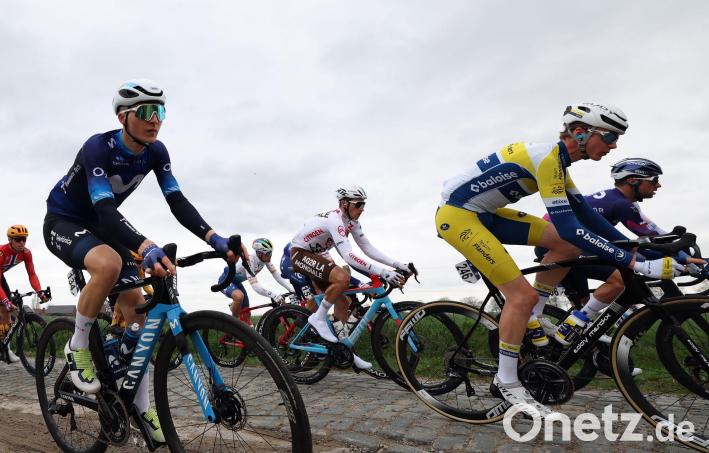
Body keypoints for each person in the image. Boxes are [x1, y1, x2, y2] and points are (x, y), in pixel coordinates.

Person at [434, 103, 684, 418]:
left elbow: (587, 217)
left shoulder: (557, 165)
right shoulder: (547, 160)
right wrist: (635, 264)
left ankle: (534, 314)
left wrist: (639, 249)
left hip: (485, 214)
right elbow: (571, 225)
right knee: (520, 295)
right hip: (459, 217)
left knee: (565, 245)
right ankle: (507, 380)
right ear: (580, 132)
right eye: (609, 137)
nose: (614, 145)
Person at [43, 78, 240, 442]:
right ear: (123, 117)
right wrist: (145, 245)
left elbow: (177, 201)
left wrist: (215, 237)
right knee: (109, 265)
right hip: (66, 221)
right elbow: (102, 210)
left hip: (105, 228)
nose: (155, 119)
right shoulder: (97, 148)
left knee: (141, 318)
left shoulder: (156, 151)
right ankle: (78, 345)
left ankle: (143, 407)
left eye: (161, 111)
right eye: (147, 112)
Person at [550, 158, 705, 342]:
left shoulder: (618, 200)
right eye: (654, 180)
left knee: (593, 309)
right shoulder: (621, 204)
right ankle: (574, 325)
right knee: (619, 280)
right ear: (633, 180)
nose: (659, 185)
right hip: (561, 245)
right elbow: (651, 237)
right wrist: (687, 258)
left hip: (568, 244)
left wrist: (683, 255)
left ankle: (595, 349)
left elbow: (654, 236)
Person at [288, 185, 412, 370]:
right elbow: (348, 257)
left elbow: (368, 248)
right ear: (344, 203)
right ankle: (318, 318)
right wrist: (383, 272)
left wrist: (397, 265)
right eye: (359, 204)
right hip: (299, 253)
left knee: (343, 302)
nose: (362, 209)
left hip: (317, 255)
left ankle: (346, 351)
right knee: (343, 278)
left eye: (364, 205)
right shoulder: (335, 220)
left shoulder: (352, 223)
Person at [0, 225, 49, 362]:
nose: (22, 243)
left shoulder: (26, 253)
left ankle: (4, 348)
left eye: (24, 239)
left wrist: (40, 292)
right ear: (10, 240)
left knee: (5, 314)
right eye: (18, 240)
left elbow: (32, 275)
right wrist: (6, 301)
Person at [217, 238, 294, 325]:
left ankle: (239, 329)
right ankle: (233, 326)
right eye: (268, 253)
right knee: (239, 297)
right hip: (225, 280)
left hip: (237, 284)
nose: (270, 256)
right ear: (259, 253)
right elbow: (255, 286)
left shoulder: (265, 260)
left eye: (271, 252)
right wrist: (274, 295)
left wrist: (291, 289)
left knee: (247, 317)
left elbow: (276, 275)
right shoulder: (249, 261)